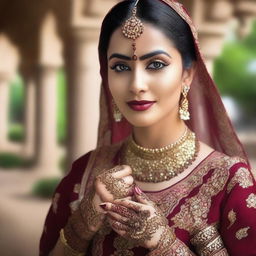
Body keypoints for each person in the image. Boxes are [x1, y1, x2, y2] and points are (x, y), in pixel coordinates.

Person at [39, 0, 256, 255]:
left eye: (155, 64)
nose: (136, 84)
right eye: (120, 67)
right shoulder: (84, 175)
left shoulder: (230, 182)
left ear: (188, 73)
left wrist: (163, 243)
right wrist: (83, 222)